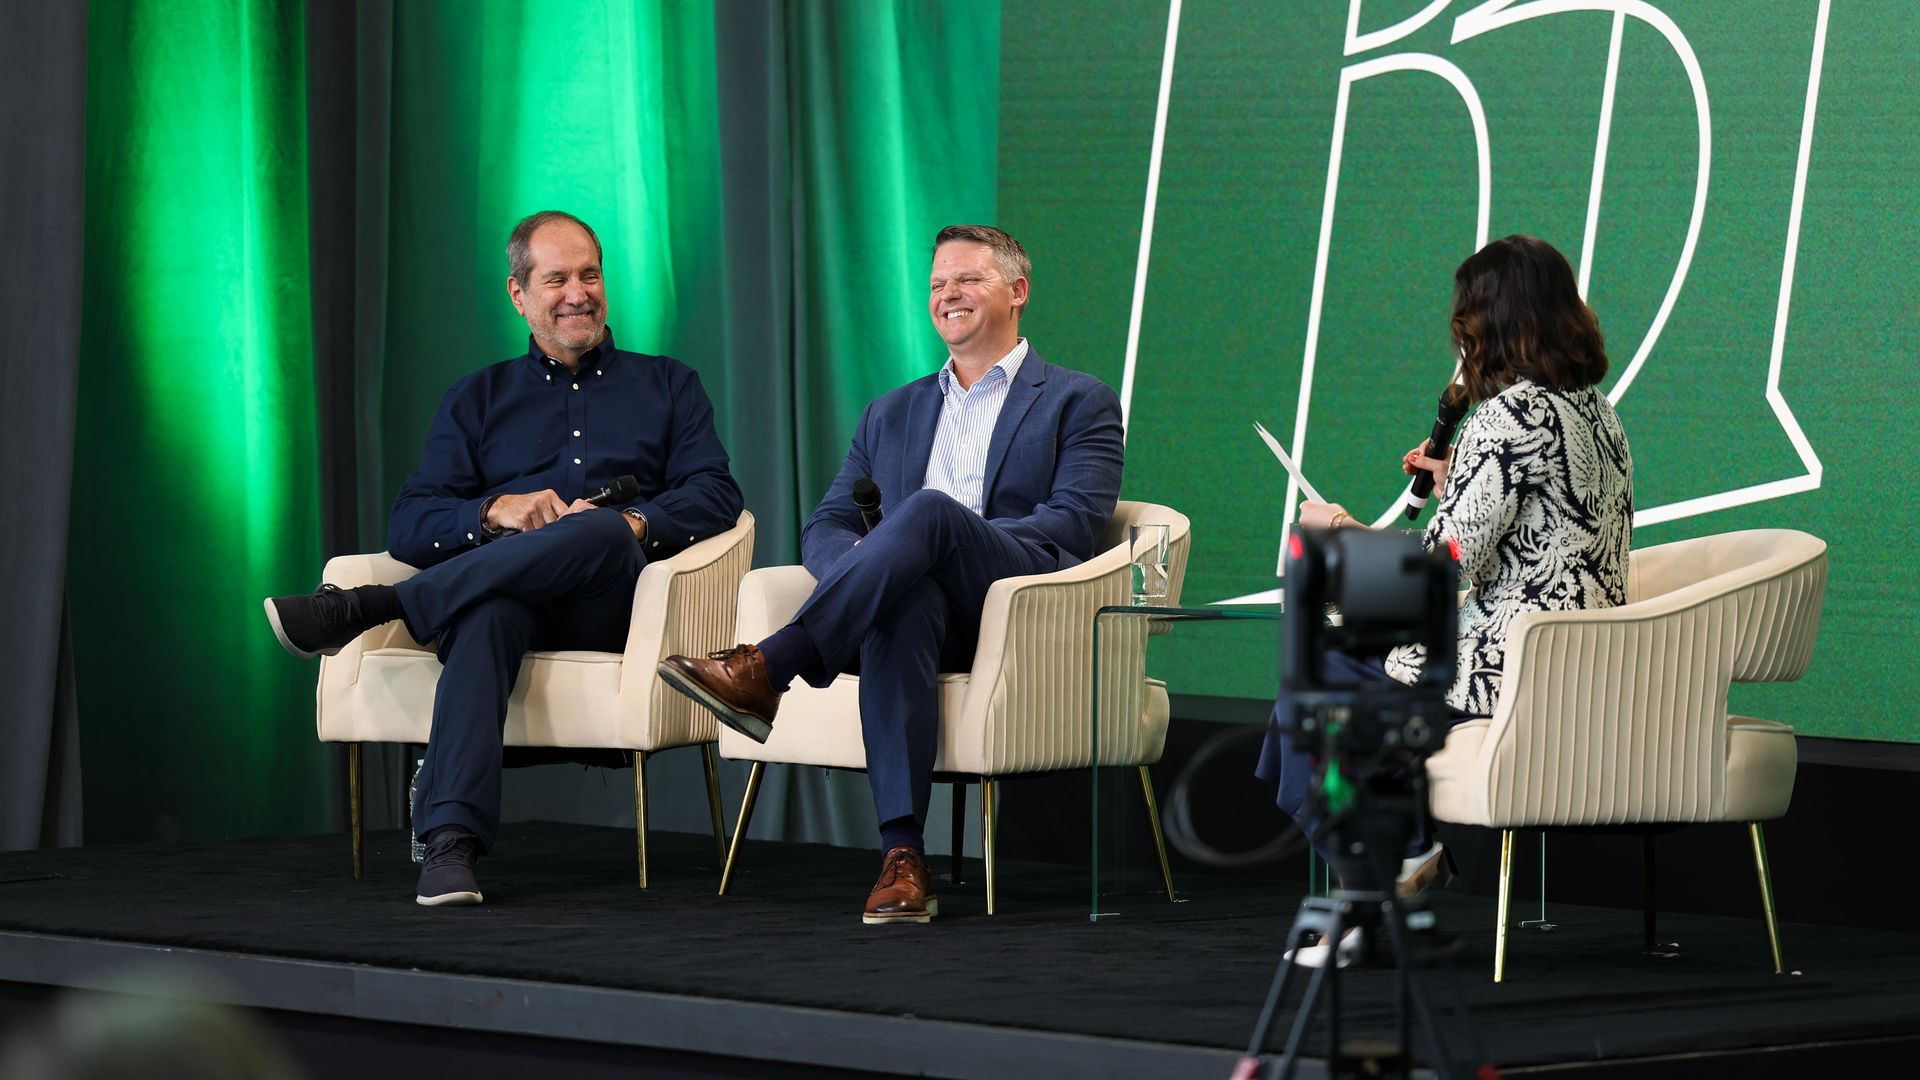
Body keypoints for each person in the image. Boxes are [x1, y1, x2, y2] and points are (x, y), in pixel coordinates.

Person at [263, 211, 744, 906]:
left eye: (589, 274)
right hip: (503, 605)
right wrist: (492, 513)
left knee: (603, 532)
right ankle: (451, 847)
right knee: (489, 609)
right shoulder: (476, 399)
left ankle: (373, 609)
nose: (578, 293)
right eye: (557, 279)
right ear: (518, 294)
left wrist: (636, 521)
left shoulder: (669, 384)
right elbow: (410, 522)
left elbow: (716, 493)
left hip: (611, 611)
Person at [658, 224, 1125, 925]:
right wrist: (875, 570)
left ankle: (769, 667)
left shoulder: (1077, 400)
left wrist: (940, 539)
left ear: (1017, 291)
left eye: (967, 279)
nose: (948, 295)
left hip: (1015, 596)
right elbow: (827, 525)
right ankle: (904, 860)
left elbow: (1073, 525)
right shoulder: (891, 411)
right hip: (921, 607)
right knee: (901, 601)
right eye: (938, 285)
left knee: (931, 517)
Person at [1259, 234, 1633, 960]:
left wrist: (1336, 529)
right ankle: (1394, 869)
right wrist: (1458, 478)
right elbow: (1542, 512)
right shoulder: (1595, 411)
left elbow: (1440, 567)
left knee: (1306, 695)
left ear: (1488, 322)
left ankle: (1390, 873)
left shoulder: (1504, 417)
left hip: (1508, 663)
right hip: (1583, 659)